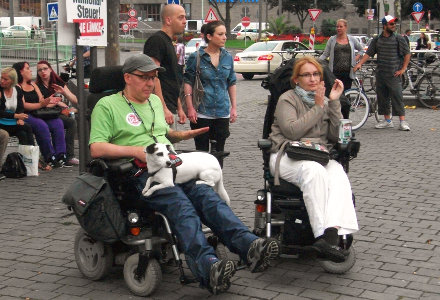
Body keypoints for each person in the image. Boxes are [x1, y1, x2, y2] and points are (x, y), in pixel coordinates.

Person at [89, 53, 279, 295]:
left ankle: (250, 246)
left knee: (207, 196)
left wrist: (182, 136)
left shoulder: (154, 102)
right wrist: (136, 150)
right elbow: (96, 147)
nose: (150, 83)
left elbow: (163, 133)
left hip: (172, 167)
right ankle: (207, 267)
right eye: (144, 78)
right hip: (137, 174)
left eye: (153, 78)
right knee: (181, 205)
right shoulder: (106, 106)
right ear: (127, 77)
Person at [269, 56, 359, 263]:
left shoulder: (326, 101)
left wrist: (334, 102)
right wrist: (318, 108)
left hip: (318, 155)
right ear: (296, 79)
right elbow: (292, 132)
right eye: (306, 75)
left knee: (338, 175)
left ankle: (332, 233)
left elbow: (336, 136)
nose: (312, 78)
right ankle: (321, 236)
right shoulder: (287, 99)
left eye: (316, 74)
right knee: (313, 171)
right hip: (286, 154)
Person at [184, 21, 237, 168]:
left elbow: (231, 82)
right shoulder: (197, 57)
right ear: (209, 36)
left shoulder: (227, 57)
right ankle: (201, 184)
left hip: (222, 111)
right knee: (201, 153)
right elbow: (187, 82)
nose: (224, 37)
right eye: (220, 34)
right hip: (201, 111)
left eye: (225, 34)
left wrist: (234, 107)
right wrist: (190, 108)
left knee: (219, 152)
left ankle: (216, 183)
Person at [354, 15, 411, 131]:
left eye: (394, 24)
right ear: (384, 26)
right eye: (391, 24)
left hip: (394, 74)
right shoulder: (377, 39)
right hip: (381, 73)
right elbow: (368, 53)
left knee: (397, 96)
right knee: (382, 97)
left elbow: (407, 53)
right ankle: (387, 121)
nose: (394, 26)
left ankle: (402, 121)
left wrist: (403, 69)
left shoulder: (398, 38)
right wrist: (360, 63)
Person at [12, 61, 67, 168]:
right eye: (27, 68)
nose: (30, 70)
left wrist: (52, 101)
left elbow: (42, 100)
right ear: (21, 72)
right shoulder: (17, 86)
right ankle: (49, 156)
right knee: (41, 126)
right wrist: (41, 104)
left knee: (57, 123)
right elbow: (24, 105)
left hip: (39, 112)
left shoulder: (32, 84)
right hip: (26, 114)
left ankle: (61, 154)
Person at [143, 4, 187, 129]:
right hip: (161, 109)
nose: (185, 21)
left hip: (171, 106)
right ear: (168, 20)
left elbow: (172, 78)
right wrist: (163, 108)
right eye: (181, 18)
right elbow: (152, 76)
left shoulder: (169, 41)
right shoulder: (157, 41)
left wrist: (179, 107)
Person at [35, 60, 79, 167]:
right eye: (40, 70)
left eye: (45, 69)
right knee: (60, 123)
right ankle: (56, 155)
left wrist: (63, 92)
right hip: (44, 114)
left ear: (50, 69)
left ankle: (68, 155)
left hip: (55, 112)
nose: (43, 72)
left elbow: (75, 99)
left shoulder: (58, 83)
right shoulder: (37, 85)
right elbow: (40, 104)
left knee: (71, 122)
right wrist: (55, 102)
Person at [319, 19, 364, 91]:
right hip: (335, 73)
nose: (338, 28)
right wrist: (316, 61)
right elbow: (325, 54)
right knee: (335, 93)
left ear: (345, 27)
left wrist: (356, 58)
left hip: (348, 73)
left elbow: (361, 50)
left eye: (341, 26)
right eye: (337, 27)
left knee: (346, 93)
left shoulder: (352, 39)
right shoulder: (332, 39)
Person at [0, 67, 34, 146]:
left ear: (12, 81)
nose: (2, 81)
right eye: (1, 77)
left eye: (5, 79)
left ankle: (30, 155)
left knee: (24, 133)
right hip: (1, 122)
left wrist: (20, 118)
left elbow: (20, 106)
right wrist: (16, 116)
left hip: (12, 121)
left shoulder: (17, 90)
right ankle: (30, 155)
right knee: (25, 129)